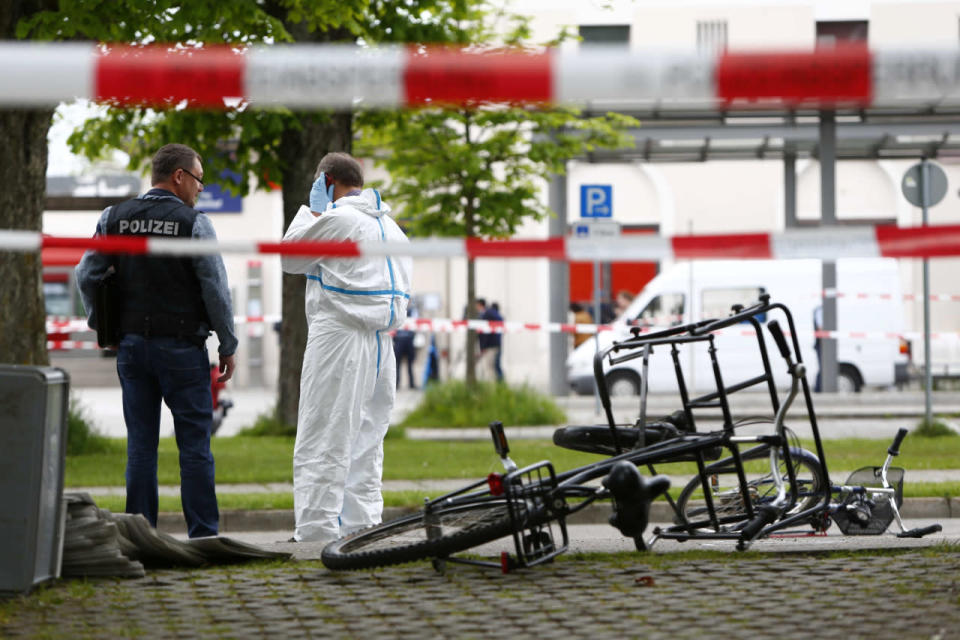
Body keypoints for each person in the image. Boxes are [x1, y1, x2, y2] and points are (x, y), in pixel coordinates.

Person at [75, 143, 237, 538]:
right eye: (198, 179)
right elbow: (214, 287)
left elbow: (85, 274)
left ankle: (141, 537)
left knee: (141, 446)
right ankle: (203, 536)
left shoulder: (113, 218)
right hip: (182, 349)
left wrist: (104, 326)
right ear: (178, 176)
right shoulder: (194, 223)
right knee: (195, 447)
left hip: (132, 348)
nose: (200, 189)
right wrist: (228, 343)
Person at [281, 152, 412, 544]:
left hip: (339, 336)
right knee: (366, 443)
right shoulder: (391, 227)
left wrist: (311, 212)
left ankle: (316, 532)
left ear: (327, 182)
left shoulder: (339, 220)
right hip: (380, 344)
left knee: (324, 435)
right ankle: (361, 527)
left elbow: (289, 256)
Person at [393, 304, 418, 390]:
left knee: (409, 364)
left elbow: (416, 323)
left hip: (407, 340)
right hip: (400, 340)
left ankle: (411, 384)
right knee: (397, 364)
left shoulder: (412, 310)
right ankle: (396, 385)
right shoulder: (396, 308)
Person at [480, 300, 504, 382]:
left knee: (489, 367)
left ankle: (491, 386)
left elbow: (485, 333)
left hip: (489, 346)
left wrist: (482, 346)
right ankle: (500, 384)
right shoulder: (499, 316)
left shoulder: (487, 315)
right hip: (498, 345)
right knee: (496, 366)